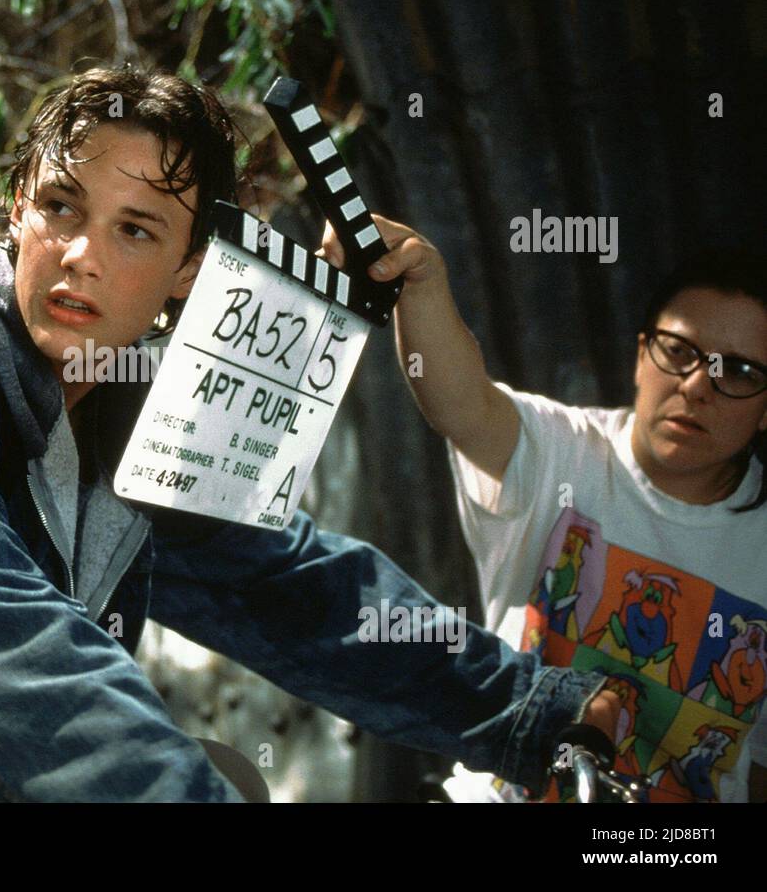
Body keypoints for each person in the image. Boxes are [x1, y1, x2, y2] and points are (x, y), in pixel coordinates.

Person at [0, 63, 620, 803]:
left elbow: (289, 590)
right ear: (16, 211)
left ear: (185, 271)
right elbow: (20, 668)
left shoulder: (120, 418)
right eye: (60, 208)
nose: (80, 254)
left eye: (135, 231)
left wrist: (535, 713)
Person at [319, 215, 767, 802]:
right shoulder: (562, 452)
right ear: (640, 357)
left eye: (736, 371)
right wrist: (422, 280)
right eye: (678, 350)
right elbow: (461, 402)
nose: (695, 385)